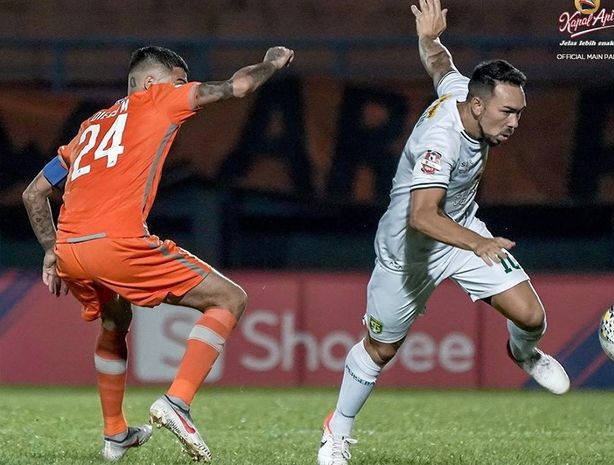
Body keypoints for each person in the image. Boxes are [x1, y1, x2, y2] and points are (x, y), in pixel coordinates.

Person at [316, 1, 569, 464]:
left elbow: (442, 66)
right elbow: (422, 216)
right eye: (507, 112)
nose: (514, 123)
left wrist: (429, 38)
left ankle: (524, 354)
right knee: (381, 348)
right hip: (409, 251)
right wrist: (479, 244)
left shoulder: (462, 92)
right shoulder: (442, 141)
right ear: (478, 105)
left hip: (462, 230)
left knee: (531, 317)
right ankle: (338, 430)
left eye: (519, 113)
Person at [23, 44, 294, 462]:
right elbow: (239, 86)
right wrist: (273, 62)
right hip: (117, 244)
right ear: (151, 83)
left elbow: (35, 193)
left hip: (70, 250)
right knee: (230, 298)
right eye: (179, 81)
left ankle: (115, 434)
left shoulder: (90, 127)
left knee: (115, 321)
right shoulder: (159, 100)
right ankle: (177, 402)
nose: (185, 89)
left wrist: (49, 250)